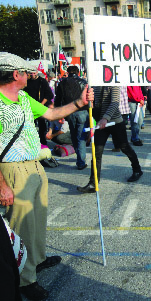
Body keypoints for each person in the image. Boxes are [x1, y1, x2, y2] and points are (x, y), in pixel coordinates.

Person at [0, 52, 94, 300]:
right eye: (26, 72)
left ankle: (36, 260)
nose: (31, 75)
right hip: (12, 169)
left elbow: (52, 114)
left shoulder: (21, 97)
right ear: (15, 74)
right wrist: (1, 185)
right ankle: (23, 279)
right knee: (21, 226)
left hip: (35, 165)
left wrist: (79, 103)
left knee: (37, 219)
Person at [77, 86, 143, 194]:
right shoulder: (94, 84)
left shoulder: (112, 82)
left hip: (115, 122)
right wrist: (91, 106)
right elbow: (93, 104)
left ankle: (137, 170)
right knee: (96, 152)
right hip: (100, 124)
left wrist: (105, 118)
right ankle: (93, 183)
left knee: (124, 147)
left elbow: (115, 102)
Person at [55, 65, 89, 170]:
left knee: (74, 136)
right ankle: (81, 161)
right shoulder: (84, 83)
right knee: (81, 137)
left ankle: (80, 159)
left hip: (70, 111)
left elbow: (58, 100)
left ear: (68, 72)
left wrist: (59, 114)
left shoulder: (62, 83)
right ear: (78, 72)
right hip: (83, 111)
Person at [23, 71, 53, 145]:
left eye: (34, 73)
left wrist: (41, 104)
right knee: (30, 125)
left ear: (36, 72)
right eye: (31, 73)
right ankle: (31, 141)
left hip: (40, 106)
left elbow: (48, 94)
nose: (32, 75)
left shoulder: (42, 81)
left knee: (42, 125)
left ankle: (42, 141)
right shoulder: (28, 82)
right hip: (30, 107)